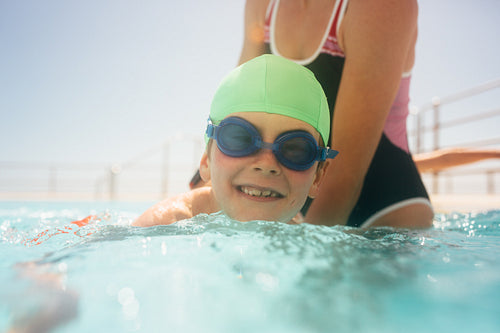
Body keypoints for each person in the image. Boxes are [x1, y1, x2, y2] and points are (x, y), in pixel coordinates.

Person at [188, 0, 433, 228]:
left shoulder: (379, 6)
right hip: (293, 189)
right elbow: (238, 107)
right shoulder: (263, 4)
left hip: (384, 206)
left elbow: (345, 171)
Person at [133, 55, 338, 227]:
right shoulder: (163, 225)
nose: (266, 164)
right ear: (206, 160)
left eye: (295, 150)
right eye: (239, 139)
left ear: (318, 177)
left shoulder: (307, 247)